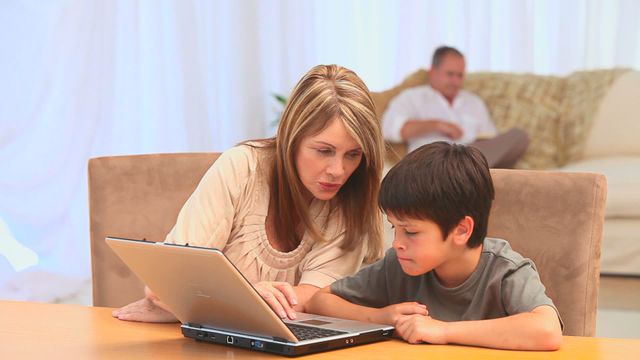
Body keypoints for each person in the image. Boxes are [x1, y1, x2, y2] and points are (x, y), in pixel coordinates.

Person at [112, 64, 385, 323]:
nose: (338, 170)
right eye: (324, 151)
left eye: (353, 154)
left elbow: (315, 299)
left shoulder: (352, 199)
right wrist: (252, 296)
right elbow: (168, 279)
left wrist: (204, 300)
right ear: (291, 139)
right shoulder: (241, 167)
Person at [306, 142, 563, 350]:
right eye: (395, 228)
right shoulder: (398, 264)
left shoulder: (505, 271)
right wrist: (383, 317)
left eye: (411, 232)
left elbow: (548, 330)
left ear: (461, 230)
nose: (397, 243)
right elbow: (321, 301)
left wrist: (442, 330)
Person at [381, 46, 529, 168]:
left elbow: (489, 138)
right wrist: (437, 125)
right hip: (431, 162)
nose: (455, 81)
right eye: (450, 74)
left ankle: (468, 171)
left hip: (471, 159)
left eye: (460, 76)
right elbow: (388, 130)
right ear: (432, 72)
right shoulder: (412, 97)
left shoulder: (474, 102)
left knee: (518, 136)